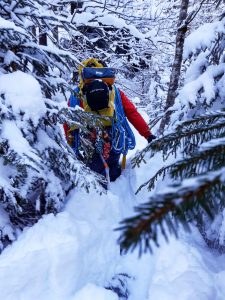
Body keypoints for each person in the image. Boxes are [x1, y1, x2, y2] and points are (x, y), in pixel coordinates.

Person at [64, 58, 156, 182]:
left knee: (94, 169)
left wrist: (70, 142)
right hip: (113, 133)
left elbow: (69, 119)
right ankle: (115, 182)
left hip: (89, 136)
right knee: (112, 163)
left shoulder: (77, 93)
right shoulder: (115, 92)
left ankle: (99, 194)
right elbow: (132, 112)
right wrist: (148, 134)